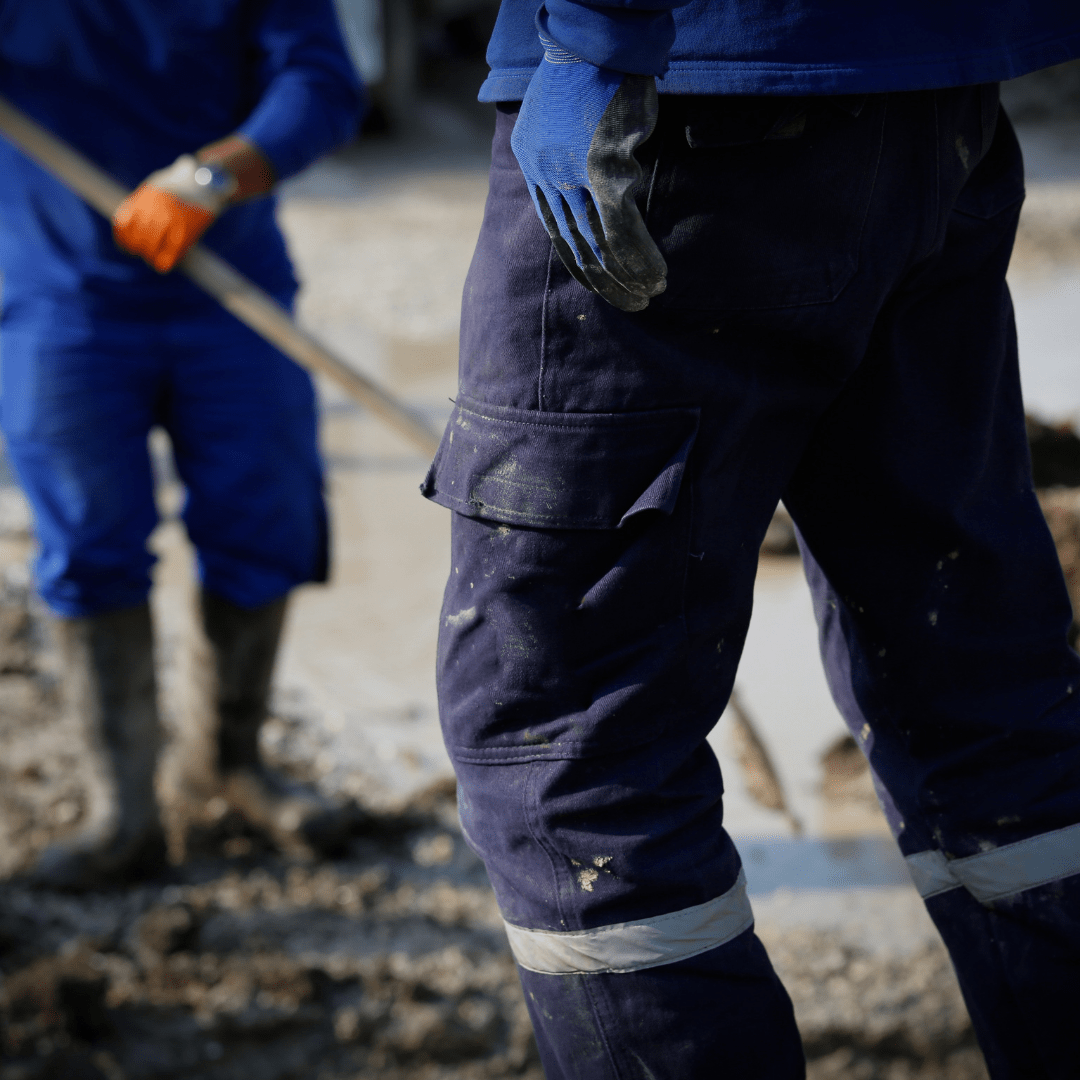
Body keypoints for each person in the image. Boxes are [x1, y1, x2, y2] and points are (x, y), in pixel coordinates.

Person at [422, 1, 1080, 1076]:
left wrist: (597, 40)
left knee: (571, 751)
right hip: (933, 91)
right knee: (989, 696)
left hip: (681, 107)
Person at [0, 0, 364, 888]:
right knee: (90, 542)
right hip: (62, 298)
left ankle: (230, 766)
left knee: (264, 520)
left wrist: (214, 176)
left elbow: (319, 83)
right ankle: (121, 810)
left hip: (228, 286)